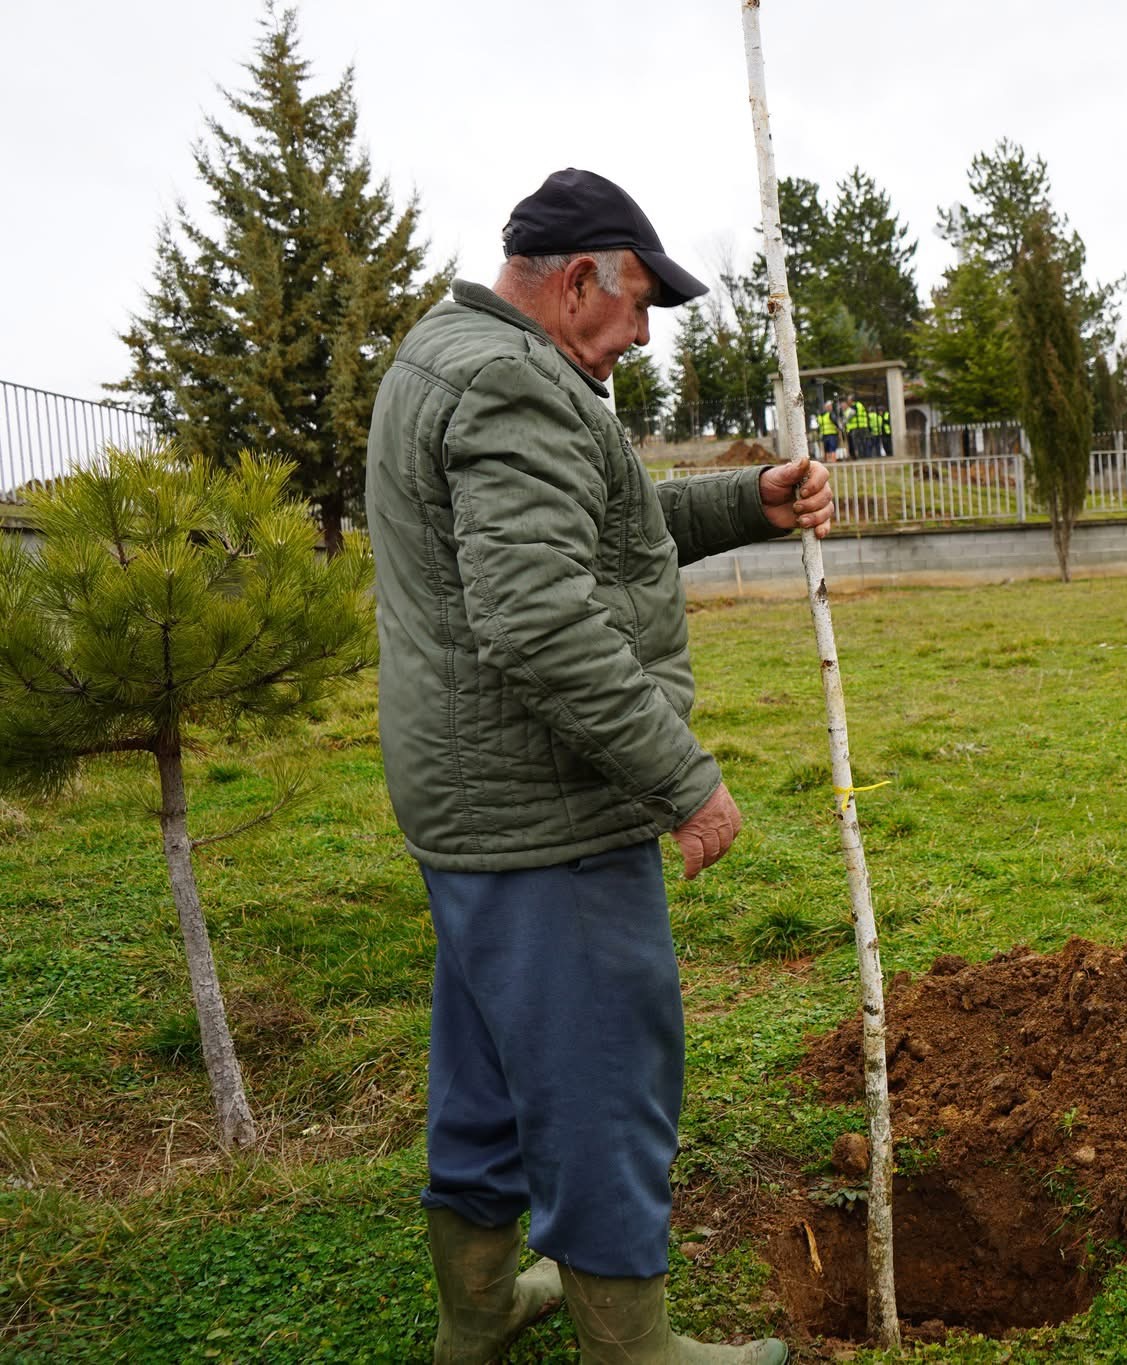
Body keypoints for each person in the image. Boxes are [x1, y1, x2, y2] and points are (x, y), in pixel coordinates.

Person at [366, 168, 830, 1365]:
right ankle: (631, 1348)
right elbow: (538, 618)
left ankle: (474, 1315)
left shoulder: (449, 351)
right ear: (577, 281)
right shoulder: (516, 384)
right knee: (602, 1083)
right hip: (549, 812)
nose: (638, 336)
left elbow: (596, 534)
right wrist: (681, 776)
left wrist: (747, 502)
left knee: (484, 1080)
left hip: (473, 807)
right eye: (634, 309)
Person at [817, 396, 841, 462]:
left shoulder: (820, 416)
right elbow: (835, 422)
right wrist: (839, 428)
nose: (831, 407)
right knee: (832, 449)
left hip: (824, 434)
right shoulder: (830, 414)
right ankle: (833, 462)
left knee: (826, 449)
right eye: (830, 406)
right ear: (827, 407)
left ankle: (827, 462)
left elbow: (818, 426)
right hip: (832, 434)